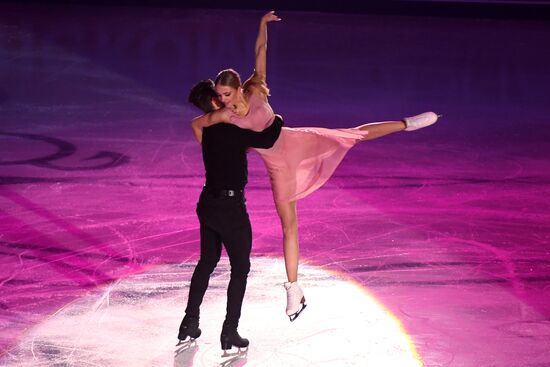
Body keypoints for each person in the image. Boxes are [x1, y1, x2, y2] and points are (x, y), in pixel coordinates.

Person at [191, 11, 440, 321]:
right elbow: (198, 123)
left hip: (296, 142)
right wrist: (208, 145)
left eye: (227, 94)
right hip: (277, 168)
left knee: (351, 135)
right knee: (288, 225)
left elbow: (260, 52)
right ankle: (293, 290)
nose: (225, 101)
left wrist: (262, 25)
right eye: (220, 96)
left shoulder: (256, 89)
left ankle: (406, 123)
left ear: (239, 88)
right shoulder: (228, 116)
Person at [178, 80, 283, 351]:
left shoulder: (208, 131)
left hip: (208, 204)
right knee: (240, 269)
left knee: (207, 261)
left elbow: (200, 123)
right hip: (230, 209)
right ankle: (229, 331)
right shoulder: (230, 130)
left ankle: (189, 322)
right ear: (215, 102)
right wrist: (278, 119)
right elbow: (267, 138)